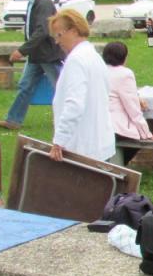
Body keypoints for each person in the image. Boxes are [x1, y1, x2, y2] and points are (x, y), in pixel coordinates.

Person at [0, 0, 62, 130]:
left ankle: (71, 121)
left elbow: (42, 31)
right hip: (37, 55)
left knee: (61, 88)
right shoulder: (35, 1)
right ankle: (13, 121)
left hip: (48, 55)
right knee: (25, 86)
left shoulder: (44, 3)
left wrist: (22, 50)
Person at [48, 9, 115, 162]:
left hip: (83, 147)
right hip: (99, 143)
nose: (57, 41)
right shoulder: (93, 55)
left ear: (73, 31)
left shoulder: (76, 60)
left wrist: (59, 141)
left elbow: (74, 104)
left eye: (59, 35)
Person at [102, 41, 153, 163]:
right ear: (124, 57)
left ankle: (111, 165)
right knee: (135, 140)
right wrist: (146, 133)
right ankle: (116, 167)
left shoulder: (100, 71)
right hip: (115, 127)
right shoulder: (124, 74)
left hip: (99, 123)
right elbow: (132, 107)